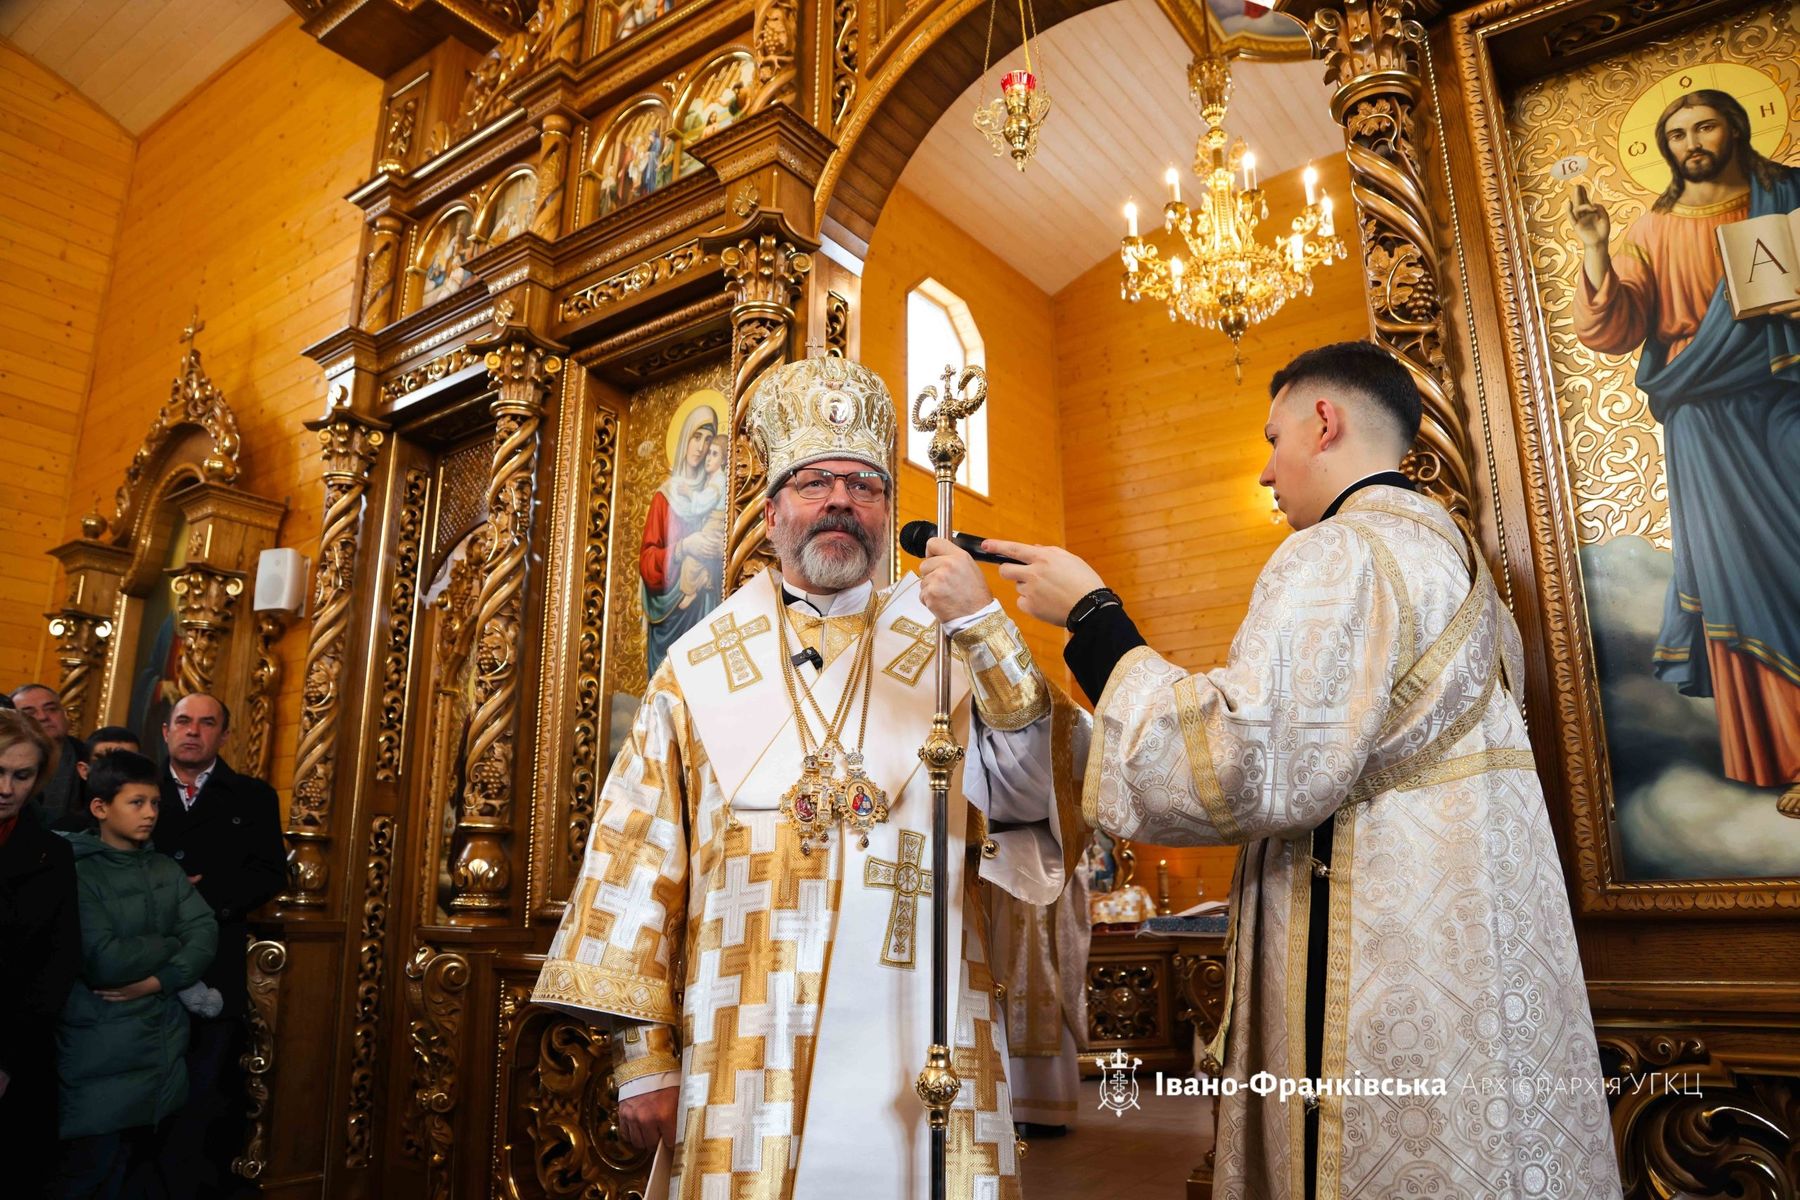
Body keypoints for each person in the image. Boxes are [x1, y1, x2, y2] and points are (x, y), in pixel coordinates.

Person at [985, 342, 1621, 1198]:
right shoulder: (1462, 566)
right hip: (1479, 966)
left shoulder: (1339, 553)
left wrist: (1094, 619)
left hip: (1381, 962)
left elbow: (1246, 763)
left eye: (1272, 437)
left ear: (1325, 423)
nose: (1265, 471)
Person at [534, 356, 1085, 1199]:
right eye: (814, 482)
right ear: (771, 512)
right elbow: (635, 858)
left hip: (922, 1025)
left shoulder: (948, 645)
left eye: (864, 485)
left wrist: (984, 626)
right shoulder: (697, 666)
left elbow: (1029, 795)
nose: (839, 501)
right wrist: (643, 1052)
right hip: (744, 1027)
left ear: (889, 513)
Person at [1569, 89, 1800, 814]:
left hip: (1785, 392)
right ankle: (1793, 756)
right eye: (1676, 133)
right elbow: (1614, 325)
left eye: (1704, 125)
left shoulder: (1788, 194)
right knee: (1743, 573)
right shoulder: (1651, 227)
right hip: (1701, 418)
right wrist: (1595, 247)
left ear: (1735, 126)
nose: (1692, 141)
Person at [55, 750, 218, 1199]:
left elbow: (204, 932)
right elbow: (104, 960)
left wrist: (158, 981)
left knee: (133, 1173)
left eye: (155, 803)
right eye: (136, 803)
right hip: (100, 1046)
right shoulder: (77, 869)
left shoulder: (163, 867)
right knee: (88, 1172)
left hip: (158, 1044)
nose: (149, 814)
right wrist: (170, 946)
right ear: (100, 807)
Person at [151, 693, 285, 1198]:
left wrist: (204, 898)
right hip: (137, 959)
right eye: (183, 721)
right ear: (165, 731)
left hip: (215, 962)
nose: (193, 731)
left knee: (205, 1097)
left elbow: (271, 872)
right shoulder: (137, 789)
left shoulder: (252, 796)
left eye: (207, 724)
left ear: (224, 736)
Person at [0, 711, 82, 1199]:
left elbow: (57, 961)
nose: (6, 786)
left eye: (21, 775)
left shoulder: (53, 854)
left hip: (12, 1046)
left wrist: (6, 1059)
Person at [11, 685, 87, 830]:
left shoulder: (89, 759)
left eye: (51, 709)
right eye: (29, 712)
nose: (43, 717)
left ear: (66, 715)